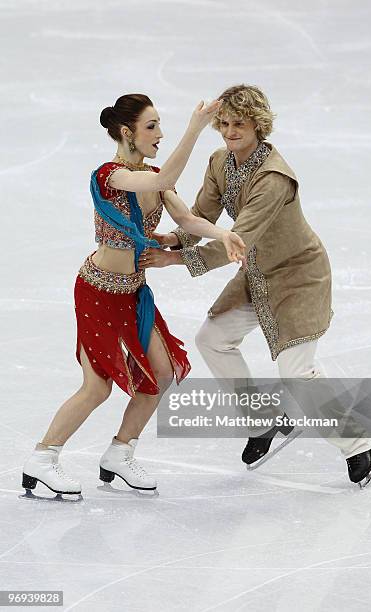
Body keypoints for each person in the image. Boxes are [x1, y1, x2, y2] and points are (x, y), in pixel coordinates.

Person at [140, 84, 371, 488]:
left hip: (298, 276)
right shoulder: (221, 161)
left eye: (240, 124)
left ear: (258, 124)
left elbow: (239, 239)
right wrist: (175, 239)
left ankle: (360, 447)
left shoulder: (273, 177)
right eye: (226, 123)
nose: (231, 131)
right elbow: (203, 213)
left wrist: (177, 260)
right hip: (256, 273)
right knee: (212, 339)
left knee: (296, 372)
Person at [22, 93, 246, 498]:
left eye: (160, 125)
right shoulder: (111, 176)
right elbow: (160, 182)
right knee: (97, 388)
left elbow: (187, 219)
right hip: (97, 292)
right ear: (127, 132)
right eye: (151, 127)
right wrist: (196, 128)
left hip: (133, 293)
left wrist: (224, 233)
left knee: (160, 374)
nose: (160, 135)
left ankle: (119, 453)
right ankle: (42, 459)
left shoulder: (154, 177)